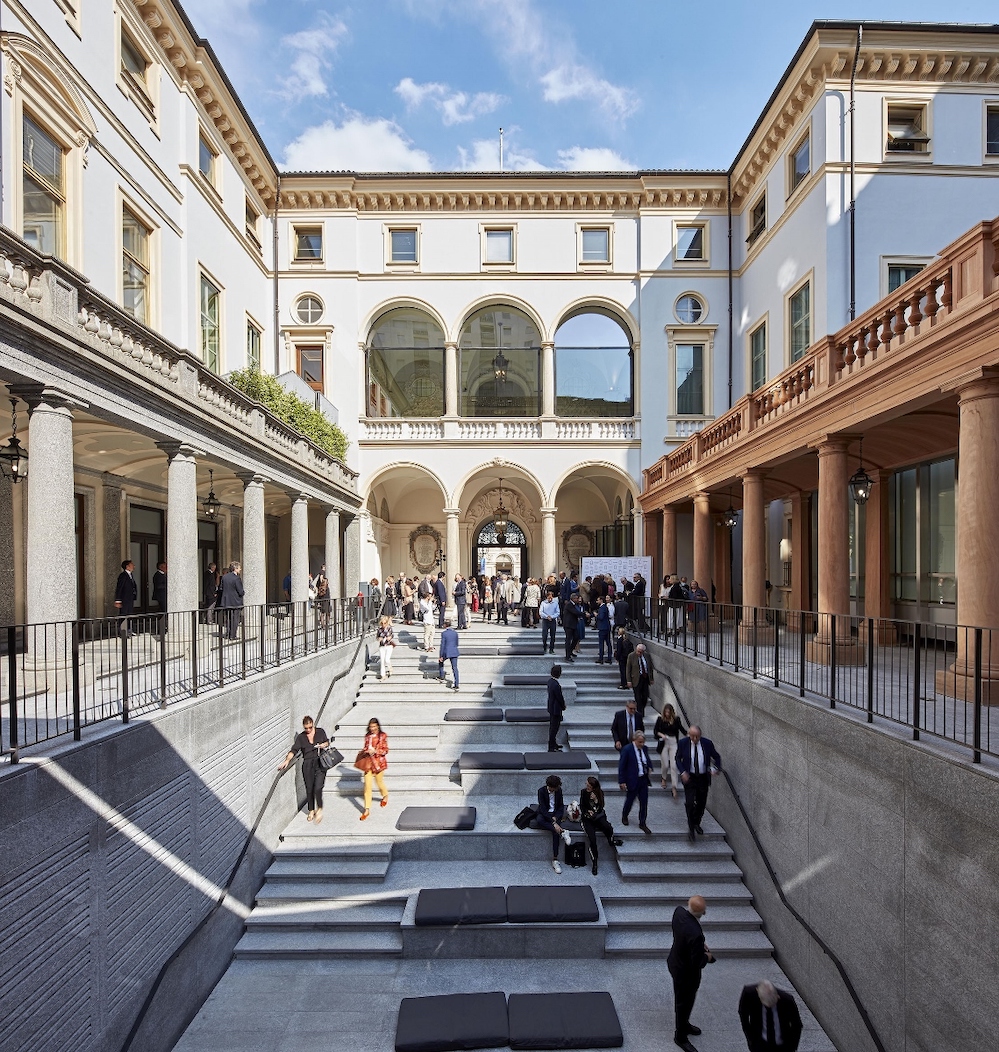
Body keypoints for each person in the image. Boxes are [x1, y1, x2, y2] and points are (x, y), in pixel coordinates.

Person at [668, 895, 715, 1051]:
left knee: (684, 1002)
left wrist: (698, 944)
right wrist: (707, 957)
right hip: (686, 974)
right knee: (684, 1003)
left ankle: (685, 1024)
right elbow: (697, 963)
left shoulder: (679, 912)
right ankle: (680, 1037)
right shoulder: (696, 934)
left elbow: (682, 934)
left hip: (675, 962)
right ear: (702, 913)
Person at [277, 715, 332, 824]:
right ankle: (311, 810)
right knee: (309, 788)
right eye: (306, 728)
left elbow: (327, 742)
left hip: (319, 762)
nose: (308, 730)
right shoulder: (301, 738)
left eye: (310, 727)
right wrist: (287, 760)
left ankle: (319, 808)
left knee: (318, 787)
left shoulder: (320, 732)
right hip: (307, 764)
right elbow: (294, 750)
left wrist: (323, 745)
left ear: (313, 724)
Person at [676, 726, 722, 842]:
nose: (695, 738)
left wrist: (716, 768)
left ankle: (696, 822)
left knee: (701, 804)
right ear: (689, 735)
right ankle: (691, 828)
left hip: (702, 778)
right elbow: (677, 758)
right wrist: (682, 772)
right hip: (690, 778)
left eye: (697, 736)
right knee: (690, 803)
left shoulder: (707, 743)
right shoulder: (683, 743)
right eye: (693, 736)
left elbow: (716, 756)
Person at [738, 981, 803, 1052]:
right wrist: (750, 1038)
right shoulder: (749, 994)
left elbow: (797, 1025)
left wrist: (792, 1047)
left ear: (777, 996)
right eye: (766, 1005)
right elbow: (743, 1013)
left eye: (773, 1004)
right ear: (758, 995)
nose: (769, 1007)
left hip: (782, 1046)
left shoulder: (787, 1000)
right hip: (760, 1044)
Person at [578, 776, 623, 876]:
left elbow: (601, 807)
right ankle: (595, 862)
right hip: (588, 819)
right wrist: (587, 812)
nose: (587, 787)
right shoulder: (584, 792)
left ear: (594, 787)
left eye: (589, 786)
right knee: (592, 839)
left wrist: (596, 801)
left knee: (607, 827)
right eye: (587, 785)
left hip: (598, 816)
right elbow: (582, 806)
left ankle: (611, 841)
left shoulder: (599, 793)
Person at [617, 730, 653, 834]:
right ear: (634, 740)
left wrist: (649, 767)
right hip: (633, 779)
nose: (641, 744)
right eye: (639, 742)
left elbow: (648, 761)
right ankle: (625, 815)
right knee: (630, 800)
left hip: (643, 779)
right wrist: (622, 781)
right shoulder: (627, 749)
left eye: (643, 742)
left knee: (644, 802)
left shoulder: (644, 749)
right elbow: (622, 766)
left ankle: (642, 822)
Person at [535, 774, 571, 874]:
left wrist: (556, 817)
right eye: (554, 788)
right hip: (545, 813)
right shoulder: (541, 791)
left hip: (555, 814)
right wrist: (553, 822)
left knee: (555, 833)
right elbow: (542, 808)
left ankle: (555, 859)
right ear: (549, 786)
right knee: (540, 820)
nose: (555, 790)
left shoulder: (559, 791)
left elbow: (560, 806)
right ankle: (563, 832)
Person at [358, 717, 389, 820]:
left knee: (379, 782)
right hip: (368, 764)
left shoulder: (382, 736)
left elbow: (385, 750)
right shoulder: (367, 736)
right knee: (367, 786)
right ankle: (367, 809)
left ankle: (385, 795)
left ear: (378, 726)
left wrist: (375, 751)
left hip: (379, 764)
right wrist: (366, 751)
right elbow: (366, 747)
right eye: (371, 727)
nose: (372, 729)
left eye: (374, 727)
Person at [654, 703, 687, 799]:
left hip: (673, 742)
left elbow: (681, 729)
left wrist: (688, 734)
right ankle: (663, 778)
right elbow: (655, 731)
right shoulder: (660, 719)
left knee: (674, 765)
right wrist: (661, 735)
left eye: (669, 712)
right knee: (665, 764)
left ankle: (674, 786)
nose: (667, 714)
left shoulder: (676, 719)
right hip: (664, 742)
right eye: (666, 712)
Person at [626, 642, 654, 718]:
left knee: (645, 696)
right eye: (638, 651)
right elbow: (628, 669)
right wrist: (629, 680)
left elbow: (650, 668)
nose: (639, 653)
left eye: (640, 652)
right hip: (636, 679)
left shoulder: (647, 656)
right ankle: (640, 713)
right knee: (638, 697)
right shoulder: (631, 656)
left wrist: (651, 678)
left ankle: (641, 708)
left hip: (645, 679)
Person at [219, 561, 244, 639]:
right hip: (235, 602)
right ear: (235, 569)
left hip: (226, 601)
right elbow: (240, 591)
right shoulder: (236, 578)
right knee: (235, 619)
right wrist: (242, 593)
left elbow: (221, 588)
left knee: (228, 618)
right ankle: (233, 635)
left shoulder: (224, 577)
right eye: (239, 568)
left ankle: (228, 633)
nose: (240, 569)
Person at [113, 558, 138, 635]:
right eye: (132, 565)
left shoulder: (130, 575)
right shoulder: (123, 575)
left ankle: (129, 630)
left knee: (129, 614)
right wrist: (118, 600)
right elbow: (119, 588)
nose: (134, 566)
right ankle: (123, 631)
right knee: (123, 614)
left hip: (130, 598)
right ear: (127, 566)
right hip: (124, 599)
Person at [546, 664, 566, 752]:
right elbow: (559, 697)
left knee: (553, 727)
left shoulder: (550, 682)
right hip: (556, 709)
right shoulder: (556, 685)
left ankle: (554, 744)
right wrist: (563, 706)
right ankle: (551, 747)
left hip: (551, 708)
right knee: (554, 728)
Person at [561, 591, 583, 662]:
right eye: (577, 598)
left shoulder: (573, 604)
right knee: (568, 640)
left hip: (573, 624)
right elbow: (575, 612)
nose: (578, 600)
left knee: (576, 637)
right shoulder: (569, 604)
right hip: (568, 625)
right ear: (573, 599)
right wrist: (583, 614)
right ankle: (567, 656)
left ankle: (570, 651)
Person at [438, 619, 460, 690]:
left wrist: (441, 655)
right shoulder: (455, 633)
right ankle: (457, 684)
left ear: (445, 625)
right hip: (454, 651)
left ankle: (441, 676)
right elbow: (457, 643)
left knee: (441, 662)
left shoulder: (444, 633)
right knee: (455, 668)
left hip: (446, 652)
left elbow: (442, 645)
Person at [376, 614, 395, 680]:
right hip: (382, 646)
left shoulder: (389, 628)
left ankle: (390, 668)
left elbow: (392, 635)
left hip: (389, 645)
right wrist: (379, 639)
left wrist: (389, 637)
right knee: (382, 661)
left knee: (387, 659)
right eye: (382, 623)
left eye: (385, 623)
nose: (383, 624)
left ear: (387, 622)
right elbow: (377, 637)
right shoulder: (379, 629)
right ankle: (383, 675)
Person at [595, 595, 613, 663]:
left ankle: (601, 658)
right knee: (608, 643)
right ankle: (609, 658)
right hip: (607, 627)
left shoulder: (602, 608)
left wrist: (597, 615)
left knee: (601, 643)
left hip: (602, 627)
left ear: (601, 600)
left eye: (598, 600)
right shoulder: (605, 607)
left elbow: (601, 617)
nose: (597, 601)